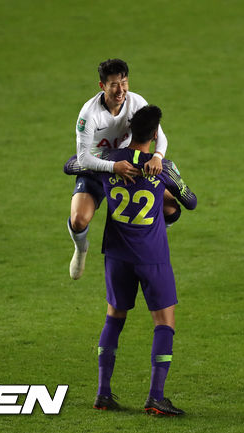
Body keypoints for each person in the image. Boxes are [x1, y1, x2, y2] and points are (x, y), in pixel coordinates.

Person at [92, 105, 197, 416]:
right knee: (164, 322)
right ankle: (155, 397)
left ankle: (103, 393)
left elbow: (72, 164)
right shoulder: (163, 168)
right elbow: (190, 201)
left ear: (128, 131)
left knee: (114, 318)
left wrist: (111, 167)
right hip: (152, 257)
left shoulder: (109, 160)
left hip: (116, 255)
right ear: (155, 135)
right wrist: (167, 175)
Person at [67, 58, 169, 280]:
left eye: (124, 82)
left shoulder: (137, 102)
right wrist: (114, 167)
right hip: (99, 169)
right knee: (78, 220)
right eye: (114, 84)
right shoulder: (89, 114)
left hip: (129, 168)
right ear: (102, 86)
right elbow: (83, 158)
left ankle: (155, 236)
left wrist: (157, 157)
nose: (121, 90)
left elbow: (160, 136)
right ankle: (81, 249)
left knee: (171, 206)